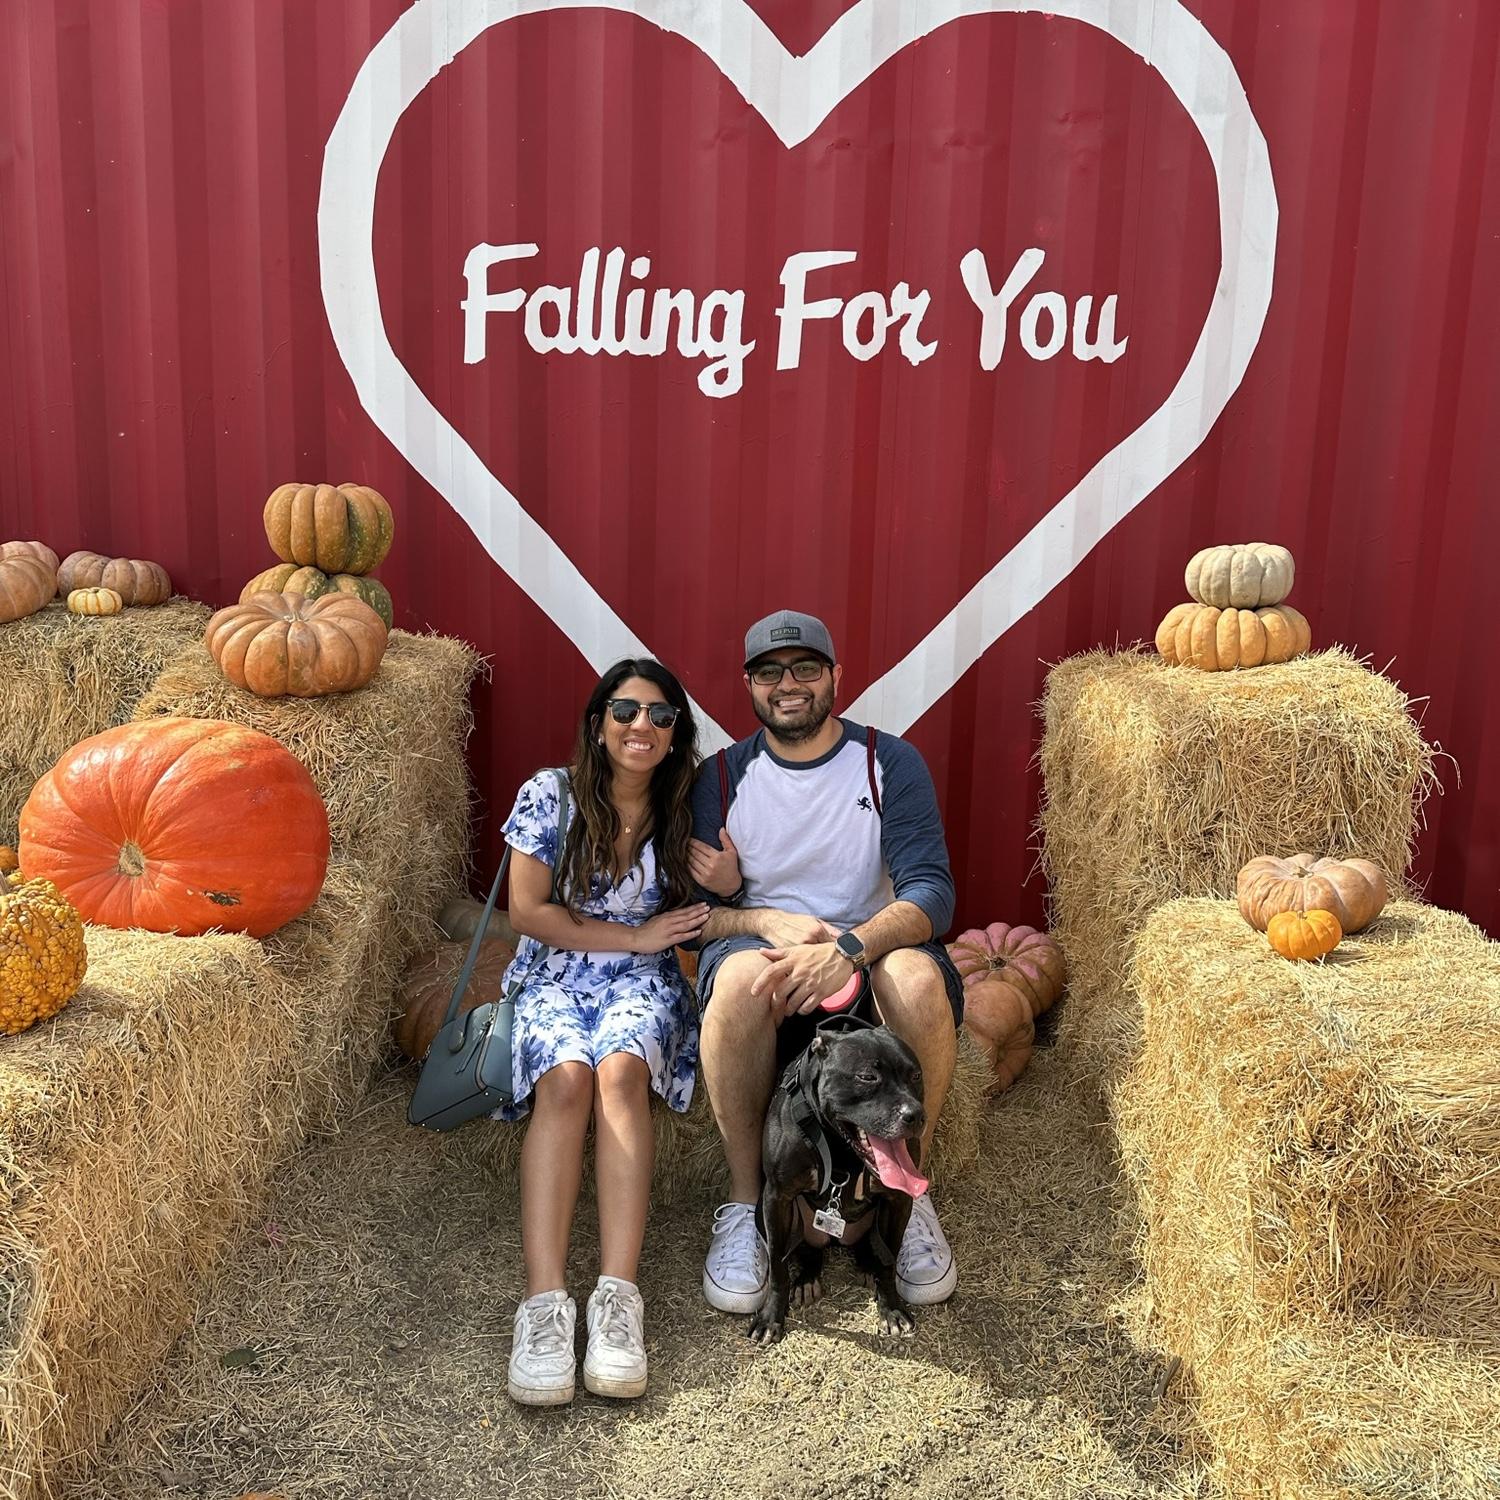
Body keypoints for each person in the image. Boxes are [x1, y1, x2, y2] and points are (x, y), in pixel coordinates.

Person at [688, 610, 962, 1317]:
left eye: (806, 668)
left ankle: (907, 1190)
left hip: (866, 947)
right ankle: (745, 1205)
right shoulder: (721, 776)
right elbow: (691, 918)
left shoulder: (888, 762)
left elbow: (932, 893)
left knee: (917, 978)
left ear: (836, 676)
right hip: (768, 955)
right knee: (740, 979)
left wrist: (849, 949)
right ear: (748, 685)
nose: (789, 685)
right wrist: (757, 916)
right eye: (769, 672)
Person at [500, 658, 710, 1407]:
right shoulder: (549, 794)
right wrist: (636, 935)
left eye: (661, 716)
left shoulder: (688, 804)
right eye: (625, 711)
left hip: (644, 980)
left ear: (676, 733)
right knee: (565, 1080)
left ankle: (618, 1302)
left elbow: (720, 895)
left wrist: (728, 879)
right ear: (598, 724)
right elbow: (527, 912)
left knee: (620, 1071)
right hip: (554, 971)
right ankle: (544, 1307)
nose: (641, 726)